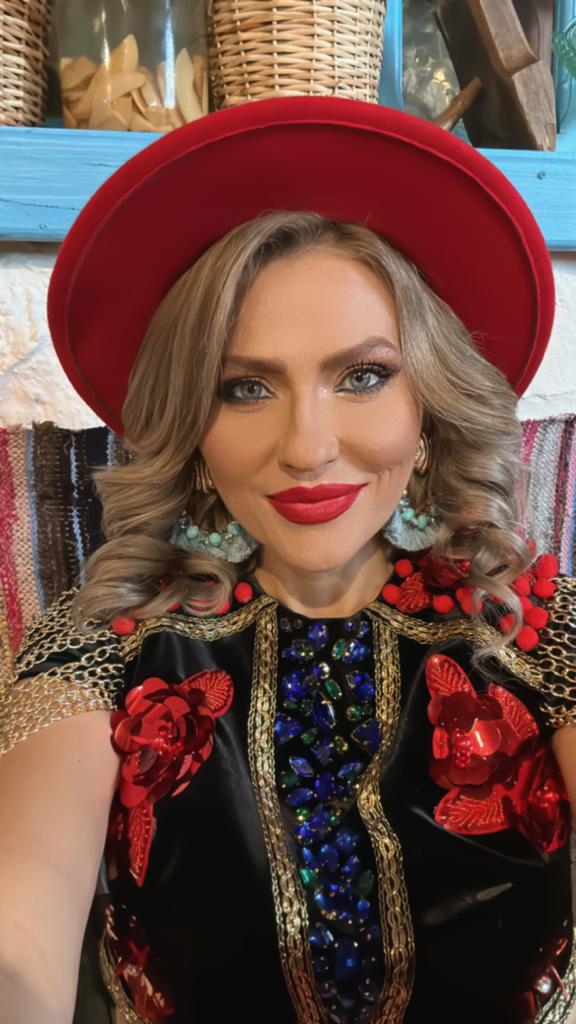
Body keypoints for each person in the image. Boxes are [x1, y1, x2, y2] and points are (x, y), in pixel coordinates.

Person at [0, 96, 575, 1024]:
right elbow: (17, 936)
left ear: (429, 407)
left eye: (362, 376)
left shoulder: (538, 625)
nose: (307, 447)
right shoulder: (106, 638)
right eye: (244, 388)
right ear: (192, 427)